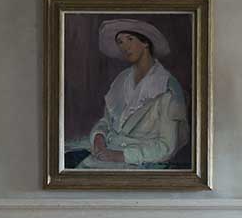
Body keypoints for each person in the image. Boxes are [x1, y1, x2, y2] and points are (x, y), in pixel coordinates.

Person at [67, 18, 189, 169]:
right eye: (120, 42)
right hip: (107, 152)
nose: (125, 47)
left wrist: (120, 156)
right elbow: (107, 121)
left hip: (141, 164)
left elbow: (166, 147)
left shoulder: (166, 85)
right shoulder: (121, 80)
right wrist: (99, 136)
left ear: (145, 42)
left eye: (130, 39)